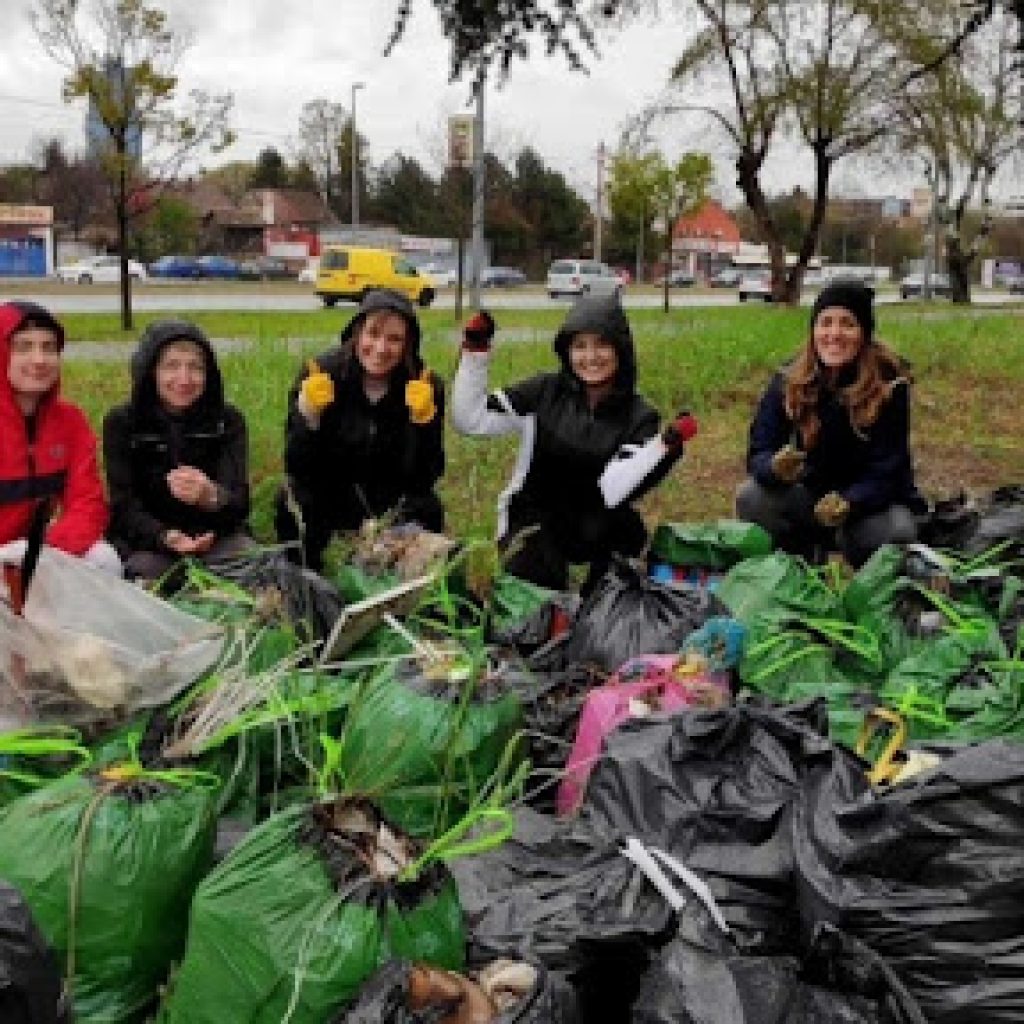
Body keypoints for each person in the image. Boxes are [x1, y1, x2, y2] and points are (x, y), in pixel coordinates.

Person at [451, 294, 697, 591]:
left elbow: (613, 489)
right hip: (532, 515)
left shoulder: (640, 416)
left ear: (621, 349)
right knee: (534, 595)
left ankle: (596, 601)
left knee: (618, 567)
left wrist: (663, 448)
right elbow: (471, 419)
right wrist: (475, 352)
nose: (591, 357)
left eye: (602, 344)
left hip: (596, 519)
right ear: (566, 350)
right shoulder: (544, 392)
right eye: (580, 345)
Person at [736, 278, 926, 567]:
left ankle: (860, 567)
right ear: (813, 330)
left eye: (847, 324)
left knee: (897, 532)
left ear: (864, 333)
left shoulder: (890, 385)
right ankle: (800, 563)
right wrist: (774, 468)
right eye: (825, 323)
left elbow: (889, 468)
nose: (834, 334)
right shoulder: (789, 378)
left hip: (868, 508)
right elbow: (759, 450)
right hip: (809, 499)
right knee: (752, 497)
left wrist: (851, 502)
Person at [274, 289, 445, 572]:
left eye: (394, 339)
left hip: (389, 501)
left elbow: (425, 478)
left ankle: (404, 580)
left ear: (408, 344)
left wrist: (423, 423)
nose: (380, 348)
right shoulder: (320, 375)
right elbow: (297, 466)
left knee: (428, 507)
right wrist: (308, 415)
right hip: (332, 496)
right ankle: (304, 576)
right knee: (291, 497)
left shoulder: (424, 385)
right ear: (356, 334)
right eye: (373, 334)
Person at [103, 319, 251, 580]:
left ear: (209, 374)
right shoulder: (123, 422)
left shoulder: (228, 421)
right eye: (171, 366)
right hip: (151, 544)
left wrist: (212, 497)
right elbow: (123, 506)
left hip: (215, 539)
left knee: (252, 562)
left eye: (195, 368)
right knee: (145, 576)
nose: (184, 379)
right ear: (151, 372)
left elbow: (239, 503)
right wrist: (165, 536)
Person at [0, 301, 120, 575]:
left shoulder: (70, 421)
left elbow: (87, 503)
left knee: (104, 559)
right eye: (23, 347)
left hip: (38, 552)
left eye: (49, 347)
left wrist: (46, 550)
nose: (39, 360)